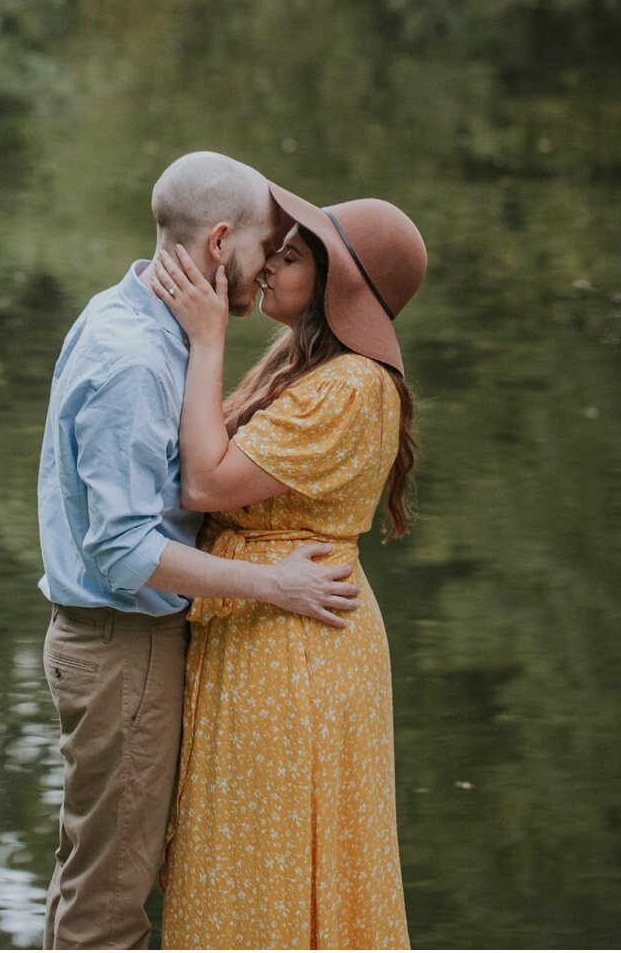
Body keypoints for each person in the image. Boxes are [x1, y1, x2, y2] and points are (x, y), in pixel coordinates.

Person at [35, 152, 364, 951]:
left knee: (90, 884)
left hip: (116, 649)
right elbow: (124, 552)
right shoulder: (137, 361)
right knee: (106, 913)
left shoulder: (128, 316)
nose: (268, 270)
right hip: (126, 651)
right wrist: (272, 584)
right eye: (265, 249)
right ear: (220, 243)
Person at [146, 182, 427, 950]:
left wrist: (208, 339)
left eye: (293, 255)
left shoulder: (354, 386)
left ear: (340, 284)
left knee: (273, 866)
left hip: (295, 648)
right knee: (244, 861)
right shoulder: (299, 361)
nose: (269, 262)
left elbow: (206, 481)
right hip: (265, 628)